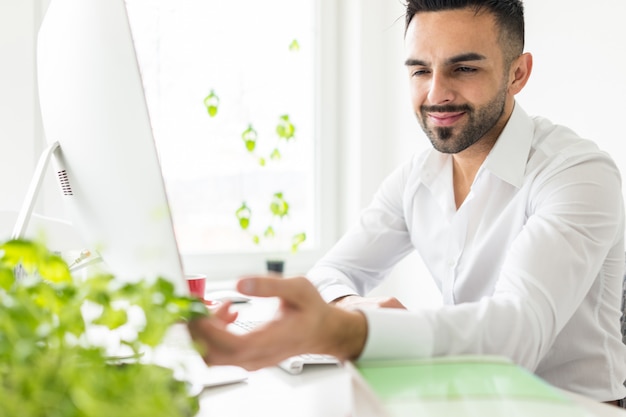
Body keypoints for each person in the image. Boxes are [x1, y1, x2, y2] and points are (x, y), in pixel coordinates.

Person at [188, 0, 626, 403]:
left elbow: (517, 332)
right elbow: (333, 271)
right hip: (467, 401)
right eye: (419, 70)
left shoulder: (578, 173)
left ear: (518, 73)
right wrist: (349, 306)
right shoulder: (420, 175)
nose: (436, 94)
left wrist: (352, 330)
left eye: (464, 69)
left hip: (575, 409)